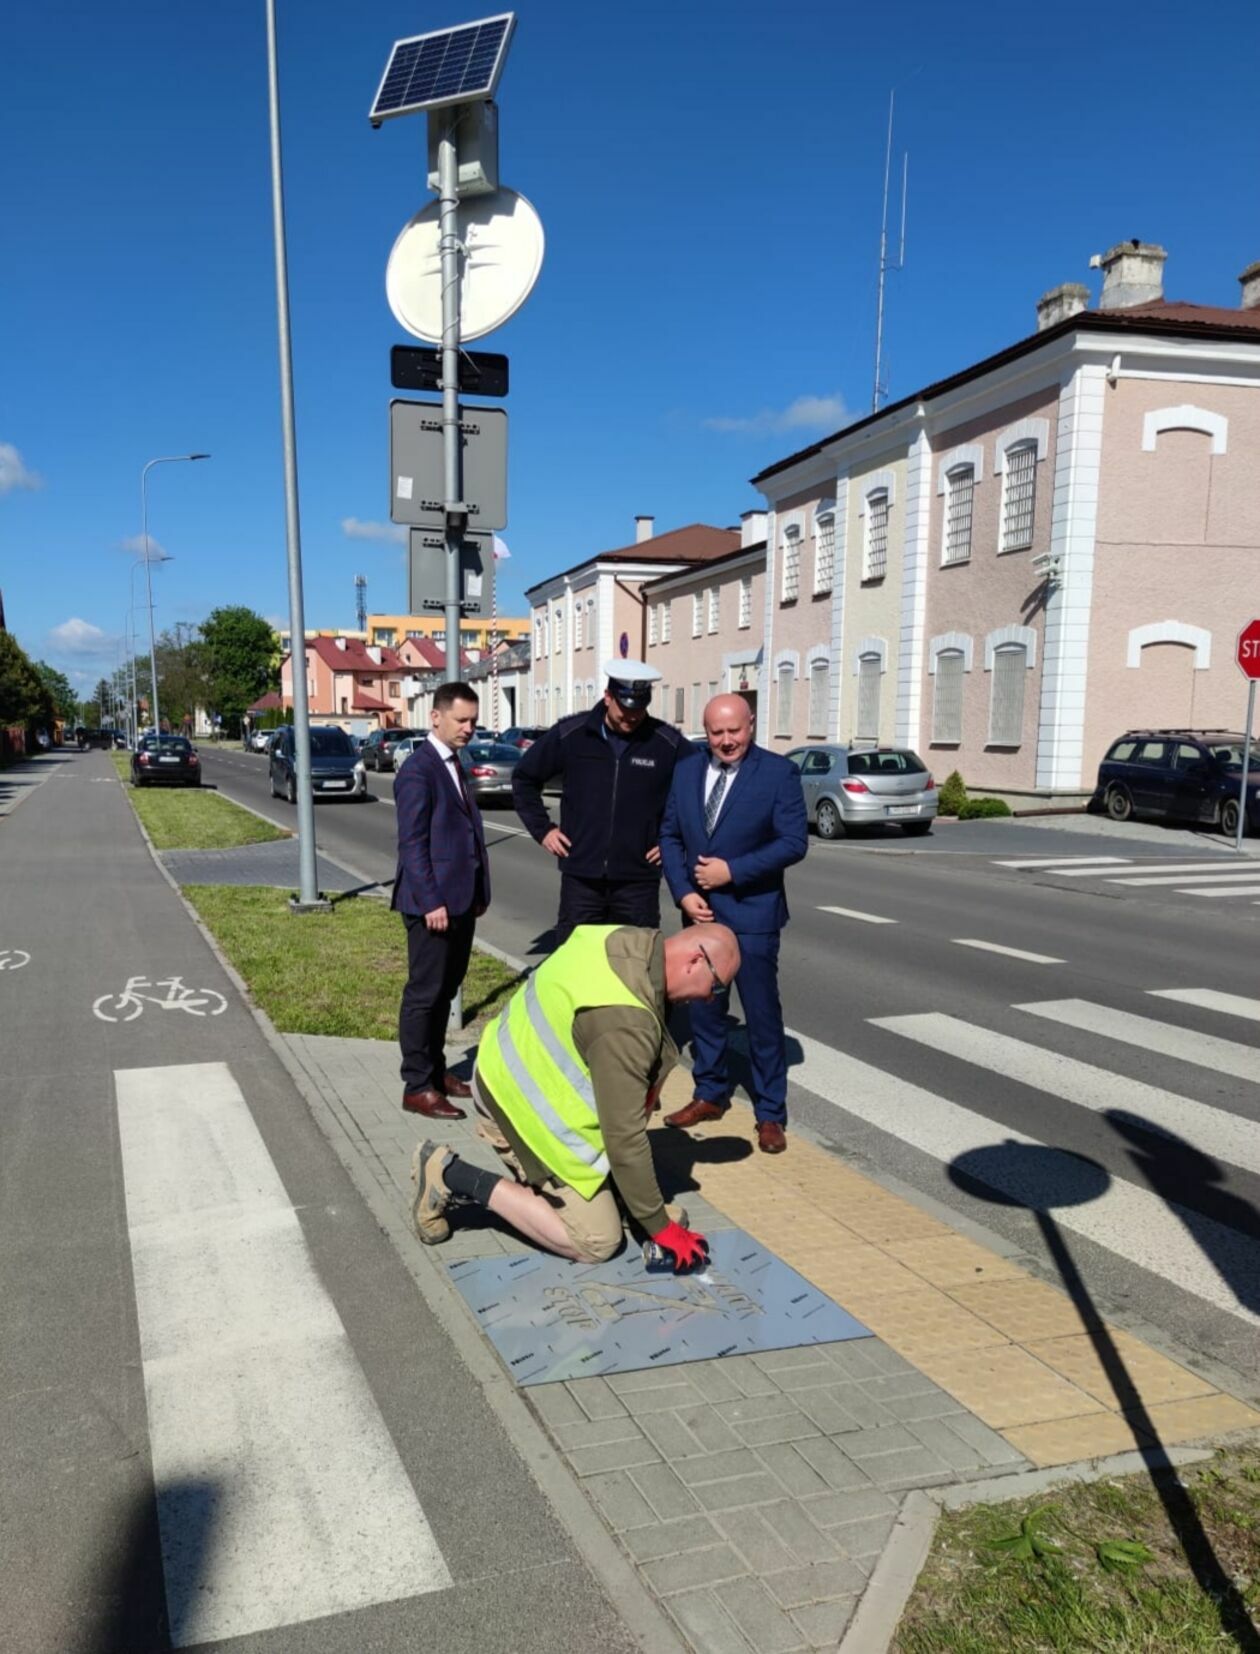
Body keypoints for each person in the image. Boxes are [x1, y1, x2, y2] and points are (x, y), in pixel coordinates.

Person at [410, 922, 741, 1270]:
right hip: (515, 1105)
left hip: (509, 1061)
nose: (710, 998)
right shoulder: (625, 1020)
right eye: (716, 987)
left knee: (630, 1124)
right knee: (598, 1240)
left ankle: (620, 1200)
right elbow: (624, 1138)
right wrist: (660, 1227)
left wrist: (644, 1205)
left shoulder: (625, 940)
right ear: (695, 961)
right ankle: (448, 1173)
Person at [658, 694, 807, 1154]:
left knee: (761, 1015)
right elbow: (670, 834)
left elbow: (793, 842)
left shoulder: (778, 773)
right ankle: (710, 1092)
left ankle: (770, 1113)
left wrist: (732, 871)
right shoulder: (686, 770)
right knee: (704, 1009)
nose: (726, 741)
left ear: (751, 724)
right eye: (716, 732)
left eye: (734, 731)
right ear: (705, 731)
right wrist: (683, 891)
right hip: (699, 913)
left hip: (752, 915)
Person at [511, 660, 693, 946]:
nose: (632, 717)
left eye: (639, 709)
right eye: (625, 709)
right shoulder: (571, 734)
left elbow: (698, 792)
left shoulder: (666, 743)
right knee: (575, 957)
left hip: (638, 881)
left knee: (637, 959)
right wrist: (543, 830)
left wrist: (675, 840)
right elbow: (523, 778)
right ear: (608, 697)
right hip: (581, 878)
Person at [392, 681, 489, 1120]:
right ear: (435, 717)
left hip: (460, 901)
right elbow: (412, 844)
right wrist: (432, 901)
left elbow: (467, 834)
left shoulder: (454, 763)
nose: (469, 728)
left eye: (473, 721)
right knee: (425, 995)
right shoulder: (418, 770)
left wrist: (479, 892)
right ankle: (417, 1086)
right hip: (431, 905)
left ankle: (435, 1071)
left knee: (446, 991)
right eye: (461, 720)